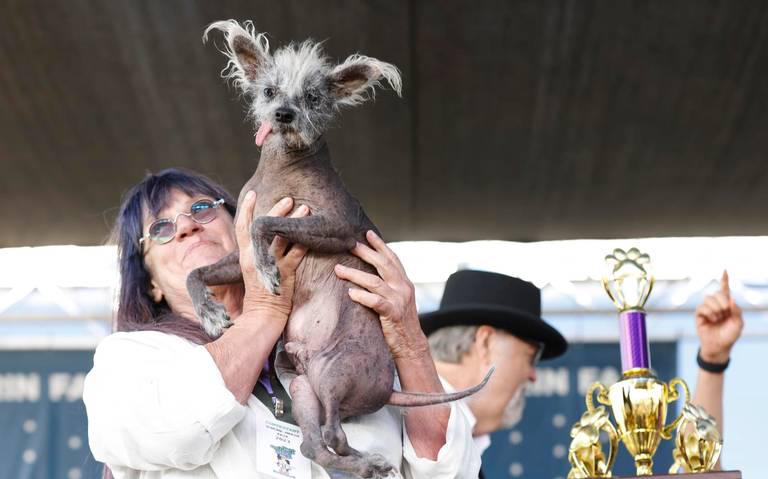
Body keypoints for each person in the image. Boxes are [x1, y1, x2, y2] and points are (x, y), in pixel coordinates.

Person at [83, 168, 480, 479]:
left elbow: (448, 471)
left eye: (202, 208)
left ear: (244, 225)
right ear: (150, 282)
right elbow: (177, 429)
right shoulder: (130, 360)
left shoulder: (333, 338)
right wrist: (263, 312)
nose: (187, 225)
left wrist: (408, 341)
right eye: (161, 229)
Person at [420, 269, 743, 475]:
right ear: (486, 342)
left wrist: (712, 361)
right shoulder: (400, 420)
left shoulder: (463, 440)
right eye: (530, 356)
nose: (532, 375)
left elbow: (699, 463)